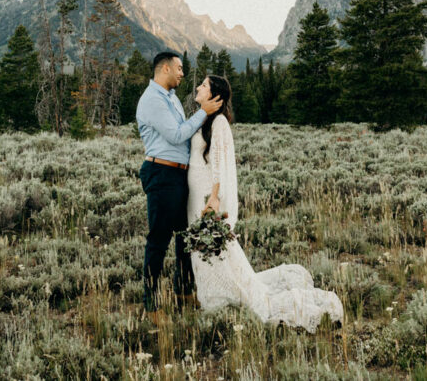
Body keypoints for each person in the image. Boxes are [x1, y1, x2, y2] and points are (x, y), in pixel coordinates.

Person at [186, 74, 344, 332]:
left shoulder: (219, 123)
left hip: (206, 197)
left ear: (216, 95)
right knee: (204, 252)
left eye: (203, 85)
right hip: (194, 198)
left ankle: (229, 299)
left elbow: (219, 165)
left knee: (218, 253)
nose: (198, 87)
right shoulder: (203, 118)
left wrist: (214, 198)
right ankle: (214, 297)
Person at [137, 50, 222, 325]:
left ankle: (183, 291)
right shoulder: (152, 100)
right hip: (161, 173)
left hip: (177, 176)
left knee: (185, 237)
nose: (183, 73)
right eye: (179, 68)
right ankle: (151, 306)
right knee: (158, 241)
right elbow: (176, 135)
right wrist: (202, 113)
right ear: (164, 70)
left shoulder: (170, 98)